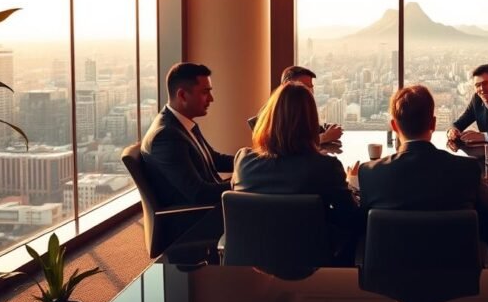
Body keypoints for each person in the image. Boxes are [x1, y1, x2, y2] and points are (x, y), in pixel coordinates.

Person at [232, 82, 358, 228]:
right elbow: (352, 219)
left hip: (249, 249)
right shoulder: (326, 168)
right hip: (309, 250)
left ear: (268, 118)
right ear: (311, 122)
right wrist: (351, 183)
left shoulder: (244, 161)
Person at [359, 85, 488, 212]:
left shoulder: (369, 173)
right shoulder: (467, 169)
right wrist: (484, 186)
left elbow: (361, 221)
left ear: (394, 126)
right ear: (433, 123)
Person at [141, 63, 234, 207]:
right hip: (195, 218)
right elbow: (199, 194)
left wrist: (253, 160)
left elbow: (213, 160)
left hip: (211, 208)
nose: (211, 99)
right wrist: (243, 184)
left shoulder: (182, 124)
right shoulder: (166, 136)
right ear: (182, 95)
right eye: (205, 92)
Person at [249, 65, 343, 144]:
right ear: (287, 86)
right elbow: (288, 146)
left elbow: (311, 132)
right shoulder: (274, 115)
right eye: (304, 86)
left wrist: (327, 130)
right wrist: (326, 137)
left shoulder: (302, 110)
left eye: (311, 86)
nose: (310, 91)